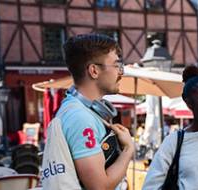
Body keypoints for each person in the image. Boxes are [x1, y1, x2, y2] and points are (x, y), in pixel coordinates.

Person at [42, 34, 134, 189]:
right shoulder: (80, 118)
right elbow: (100, 187)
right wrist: (128, 149)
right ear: (94, 71)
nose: (121, 72)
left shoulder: (79, 110)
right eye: (116, 65)